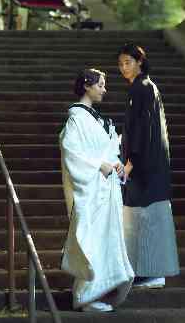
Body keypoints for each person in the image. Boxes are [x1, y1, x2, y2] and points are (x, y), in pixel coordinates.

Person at [59, 68, 134, 312]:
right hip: (91, 189)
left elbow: (107, 150)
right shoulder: (77, 118)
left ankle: (96, 292)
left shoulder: (96, 118)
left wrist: (115, 163)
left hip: (105, 189)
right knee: (92, 240)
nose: (104, 89)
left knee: (104, 239)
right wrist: (98, 164)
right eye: (100, 84)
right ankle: (84, 296)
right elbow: (71, 150)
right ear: (87, 86)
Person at [117, 43, 180, 289]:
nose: (124, 68)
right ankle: (151, 271)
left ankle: (151, 272)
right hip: (152, 164)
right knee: (149, 217)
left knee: (144, 217)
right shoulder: (146, 87)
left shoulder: (141, 89)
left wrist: (130, 163)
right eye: (121, 64)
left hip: (144, 166)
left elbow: (141, 130)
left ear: (140, 62)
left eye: (128, 62)